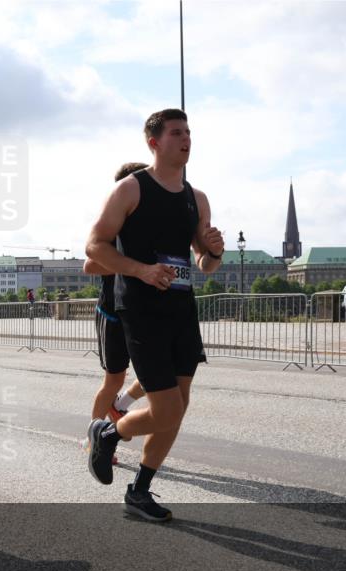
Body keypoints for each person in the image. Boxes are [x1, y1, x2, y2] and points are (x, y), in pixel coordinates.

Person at [84, 108, 224, 522]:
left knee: (178, 407)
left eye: (188, 132)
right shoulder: (131, 189)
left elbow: (205, 264)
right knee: (166, 410)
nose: (186, 139)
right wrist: (141, 269)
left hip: (181, 308)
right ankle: (109, 432)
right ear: (154, 142)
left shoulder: (195, 198)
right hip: (141, 309)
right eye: (177, 133)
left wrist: (214, 250)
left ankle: (140, 490)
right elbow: (95, 247)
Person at [82, 161, 151, 465]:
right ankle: (93, 440)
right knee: (113, 379)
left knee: (158, 374)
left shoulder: (149, 222)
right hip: (113, 313)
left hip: (142, 311)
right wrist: (130, 264)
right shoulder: (113, 222)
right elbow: (90, 265)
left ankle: (120, 405)